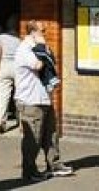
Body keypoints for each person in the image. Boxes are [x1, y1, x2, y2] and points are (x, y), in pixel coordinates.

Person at [13, 20, 73, 181]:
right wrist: (41, 47)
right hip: (30, 100)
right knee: (33, 137)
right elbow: (39, 65)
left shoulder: (37, 47)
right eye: (42, 31)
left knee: (51, 133)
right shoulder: (24, 49)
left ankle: (54, 164)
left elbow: (52, 60)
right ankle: (29, 171)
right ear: (32, 32)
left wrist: (43, 48)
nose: (44, 33)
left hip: (43, 97)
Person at [0, 14, 20, 133]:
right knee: (19, 95)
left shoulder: (1, 37)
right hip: (17, 67)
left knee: (3, 95)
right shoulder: (20, 38)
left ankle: (1, 121)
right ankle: (21, 120)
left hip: (4, 65)